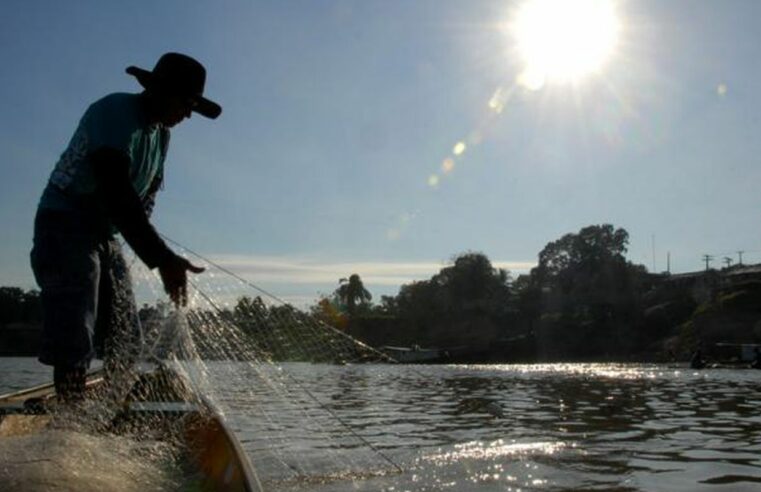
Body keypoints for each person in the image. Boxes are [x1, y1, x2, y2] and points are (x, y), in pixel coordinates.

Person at [30, 53, 221, 401]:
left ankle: (111, 410)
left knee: (126, 339)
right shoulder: (116, 113)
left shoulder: (161, 136)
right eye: (186, 102)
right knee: (76, 328)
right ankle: (69, 422)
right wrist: (162, 258)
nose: (188, 113)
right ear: (160, 91)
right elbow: (116, 192)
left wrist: (158, 255)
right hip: (65, 223)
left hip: (105, 234)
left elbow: (140, 203)